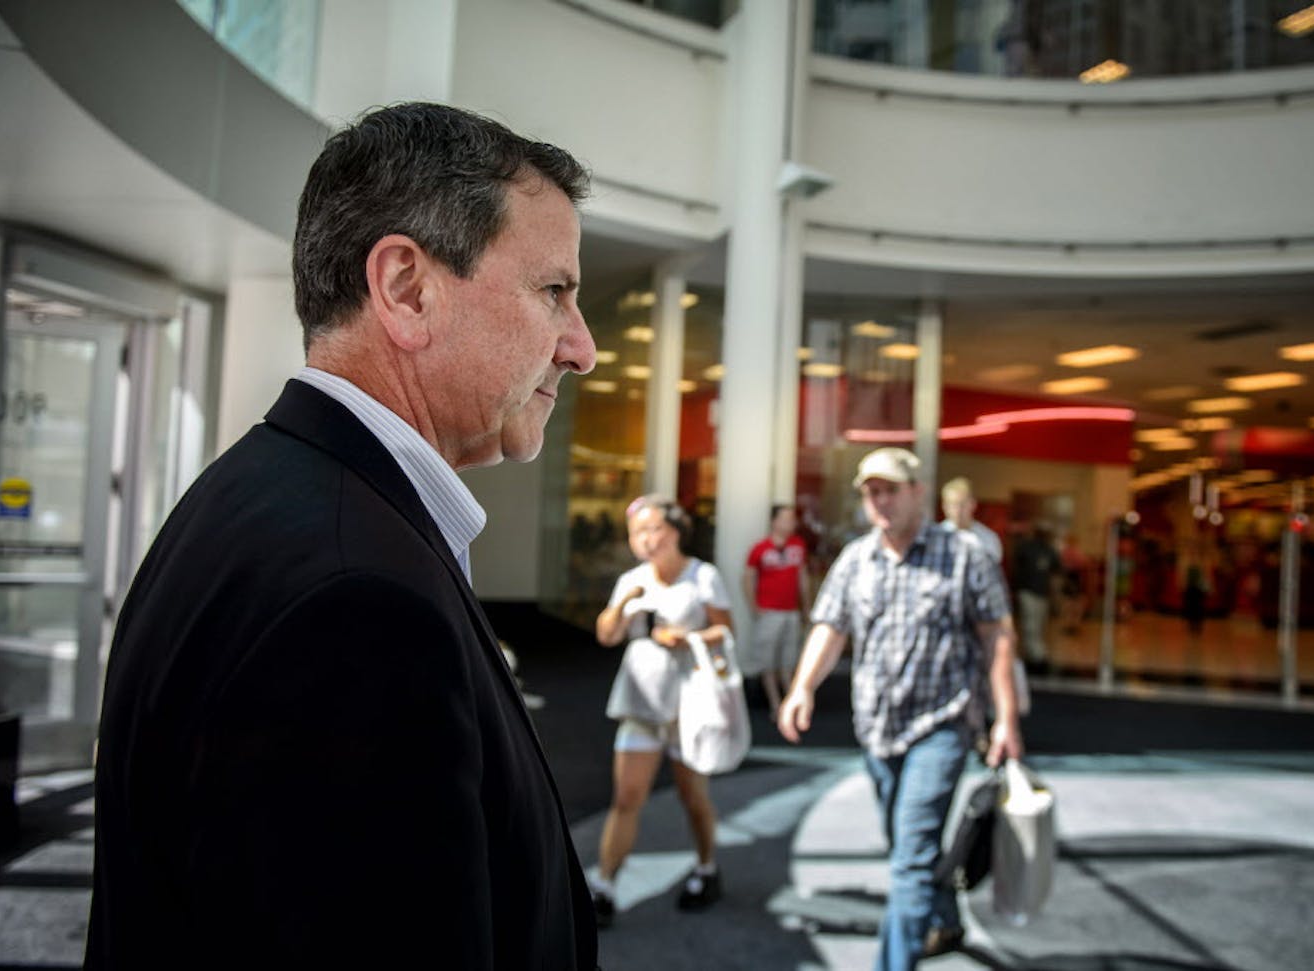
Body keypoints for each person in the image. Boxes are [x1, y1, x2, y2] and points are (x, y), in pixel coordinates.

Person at [86, 104, 599, 970]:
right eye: (554, 291)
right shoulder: (355, 598)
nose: (580, 348)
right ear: (405, 287)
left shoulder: (266, 496)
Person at [778, 448, 1022, 970]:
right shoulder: (856, 559)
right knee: (907, 842)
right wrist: (802, 687)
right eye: (871, 492)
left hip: (943, 725)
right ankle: (946, 919)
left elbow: (997, 637)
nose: (880, 501)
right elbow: (830, 627)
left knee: (909, 858)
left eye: (890, 489)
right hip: (877, 728)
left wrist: (1006, 717)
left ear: (918, 493)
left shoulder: (963, 556)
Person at [591, 495, 734, 928]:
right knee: (626, 797)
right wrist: (624, 602)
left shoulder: (702, 576)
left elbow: (726, 629)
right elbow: (607, 635)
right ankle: (605, 886)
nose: (647, 540)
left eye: (655, 530)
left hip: (688, 703)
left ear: (676, 532)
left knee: (692, 796)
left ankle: (708, 869)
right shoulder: (632, 580)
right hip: (640, 700)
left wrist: (686, 637)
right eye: (639, 533)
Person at [742, 503, 810, 712]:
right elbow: (748, 578)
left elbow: (802, 577)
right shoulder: (760, 549)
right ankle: (774, 704)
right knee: (767, 660)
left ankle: (791, 701)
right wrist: (754, 606)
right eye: (786, 518)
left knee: (789, 659)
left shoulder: (798, 545)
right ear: (774, 521)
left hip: (791, 611)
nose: (791, 523)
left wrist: (806, 606)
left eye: (792, 518)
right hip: (769, 611)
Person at [1013, 523, 1061, 667]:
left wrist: (1055, 595)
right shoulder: (1025, 548)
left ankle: (1034, 654)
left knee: (1038, 624)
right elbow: (1017, 568)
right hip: (1028, 591)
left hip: (1042, 593)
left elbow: (1055, 574)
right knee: (1030, 624)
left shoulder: (1049, 550)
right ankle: (1035, 655)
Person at [940, 475, 1003, 563]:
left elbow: (992, 572)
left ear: (973, 504)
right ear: (944, 506)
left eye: (963, 504)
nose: (958, 510)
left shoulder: (988, 538)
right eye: (953, 504)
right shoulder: (934, 539)